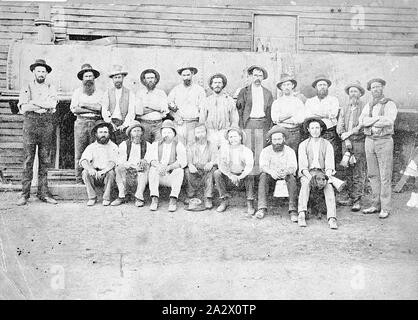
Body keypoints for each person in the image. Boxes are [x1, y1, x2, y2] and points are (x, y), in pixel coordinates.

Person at [16, 59, 58, 205]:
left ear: (46, 73)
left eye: (43, 71)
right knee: (28, 160)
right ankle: (24, 194)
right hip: (30, 124)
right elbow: (24, 108)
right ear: (33, 72)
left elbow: (52, 105)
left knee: (45, 160)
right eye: (38, 71)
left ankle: (43, 193)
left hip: (46, 124)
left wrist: (34, 102)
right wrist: (41, 105)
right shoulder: (26, 86)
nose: (41, 73)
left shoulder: (51, 87)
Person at [359, 78, 398, 219]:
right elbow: (362, 121)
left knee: (385, 175)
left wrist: (372, 120)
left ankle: (385, 207)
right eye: (373, 87)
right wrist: (376, 119)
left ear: (382, 88)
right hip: (369, 140)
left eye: (378, 87)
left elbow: (389, 120)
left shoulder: (389, 103)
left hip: (384, 140)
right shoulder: (368, 105)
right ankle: (375, 204)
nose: (376, 89)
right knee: (373, 174)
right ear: (370, 90)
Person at [297, 117, 338, 229]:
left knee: (328, 186)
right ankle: (301, 214)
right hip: (308, 173)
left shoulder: (327, 144)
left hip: (323, 173)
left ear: (321, 129)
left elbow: (330, 165)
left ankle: (332, 218)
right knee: (305, 185)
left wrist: (326, 177)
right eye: (312, 128)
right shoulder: (303, 145)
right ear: (308, 130)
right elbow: (303, 166)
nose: (315, 130)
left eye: (317, 128)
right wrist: (311, 178)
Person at [236, 65, 273, 175]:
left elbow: (270, 112)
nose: (257, 78)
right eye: (255, 75)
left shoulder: (267, 93)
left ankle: (260, 180)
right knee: (248, 152)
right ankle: (249, 181)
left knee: (261, 152)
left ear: (263, 78)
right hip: (249, 124)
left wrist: (269, 129)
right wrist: (241, 127)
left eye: (260, 76)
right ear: (251, 76)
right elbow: (239, 111)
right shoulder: (244, 91)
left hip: (263, 124)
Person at [255, 126, 298, 220]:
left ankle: (293, 210)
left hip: (285, 176)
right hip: (271, 177)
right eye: (274, 139)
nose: (277, 142)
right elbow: (263, 166)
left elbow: (293, 167)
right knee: (263, 176)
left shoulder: (290, 151)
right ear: (271, 140)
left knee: (292, 178)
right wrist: (271, 172)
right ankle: (261, 208)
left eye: (279, 139)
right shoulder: (265, 151)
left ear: (284, 139)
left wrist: (286, 172)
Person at [336, 81, 367, 212]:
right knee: (347, 169)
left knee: (358, 171)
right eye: (351, 91)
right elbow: (340, 125)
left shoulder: (365, 107)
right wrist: (345, 138)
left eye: (356, 91)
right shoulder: (344, 107)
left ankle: (357, 199)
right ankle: (350, 196)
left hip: (359, 142)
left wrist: (351, 136)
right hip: (346, 142)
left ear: (360, 93)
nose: (353, 94)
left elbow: (363, 125)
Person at [70, 63, 103, 183]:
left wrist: (83, 104)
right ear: (82, 79)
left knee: (95, 150)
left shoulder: (100, 92)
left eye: (90, 76)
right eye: (86, 76)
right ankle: (79, 178)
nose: (88, 78)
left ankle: (94, 179)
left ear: (94, 78)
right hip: (81, 123)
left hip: (95, 122)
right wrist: (91, 108)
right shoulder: (77, 92)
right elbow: (74, 109)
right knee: (80, 151)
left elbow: (100, 108)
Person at [145, 120, 187, 212]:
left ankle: (173, 199)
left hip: (171, 176)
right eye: (164, 132)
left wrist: (169, 167)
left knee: (179, 171)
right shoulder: (156, 144)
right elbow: (149, 159)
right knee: (152, 169)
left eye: (169, 132)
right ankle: (154, 199)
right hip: (159, 175)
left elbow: (183, 162)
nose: (166, 135)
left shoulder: (178, 145)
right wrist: (158, 166)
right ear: (161, 134)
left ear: (174, 134)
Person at [213, 127, 255, 215]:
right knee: (217, 173)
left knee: (250, 174)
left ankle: (250, 202)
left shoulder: (246, 150)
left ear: (240, 137)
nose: (233, 139)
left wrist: (240, 177)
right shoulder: (224, 150)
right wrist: (230, 175)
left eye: (235, 136)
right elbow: (222, 165)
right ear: (228, 139)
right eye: (230, 137)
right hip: (229, 178)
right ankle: (224, 200)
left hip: (242, 178)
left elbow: (249, 166)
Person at [79, 120, 118, 206]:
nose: (103, 134)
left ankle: (106, 198)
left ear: (109, 134)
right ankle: (92, 197)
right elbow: (83, 160)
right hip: (94, 173)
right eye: (100, 132)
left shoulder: (113, 146)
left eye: (105, 132)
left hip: (106, 174)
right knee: (85, 173)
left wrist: (104, 170)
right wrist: (90, 169)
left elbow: (113, 162)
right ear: (96, 134)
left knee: (111, 173)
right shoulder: (91, 147)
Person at [111, 121, 149, 207]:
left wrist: (144, 161)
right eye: (134, 131)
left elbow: (149, 158)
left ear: (142, 133)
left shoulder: (147, 144)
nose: (137, 134)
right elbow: (121, 161)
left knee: (145, 169)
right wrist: (133, 167)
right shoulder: (124, 145)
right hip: (128, 168)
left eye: (139, 131)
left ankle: (139, 197)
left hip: (141, 170)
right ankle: (121, 196)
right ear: (130, 133)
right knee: (119, 168)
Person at [305, 75, 340, 163]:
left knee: (329, 154)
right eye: (320, 85)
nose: (322, 87)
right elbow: (307, 116)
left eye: (324, 85)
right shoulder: (310, 101)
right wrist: (325, 114)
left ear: (328, 87)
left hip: (329, 131)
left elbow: (333, 114)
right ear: (316, 87)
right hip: (314, 131)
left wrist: (315, 113)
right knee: (315, 154)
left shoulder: (333, 100)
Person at [168, 66, 206, 146]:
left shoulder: (199, 90)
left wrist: (201, 124)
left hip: (194, 122)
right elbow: (169, 104)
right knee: (180, 146)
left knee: (192, 146)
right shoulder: (176, 89)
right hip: (180, 123)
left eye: (188, 75)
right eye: (184, 75)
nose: (186, 77)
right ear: (181, 76)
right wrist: (176, 116)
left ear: (192, 75)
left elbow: (203, 108)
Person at [129, 68, 169, 143]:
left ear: (156, 79)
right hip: (144, 124)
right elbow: (139, 111)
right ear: (144, 80)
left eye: (152, 78)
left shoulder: (161, 93)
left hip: (158, 125)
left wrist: (148, 106)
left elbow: (164, 110)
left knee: (159, 145)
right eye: (148, 78)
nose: (150, 80)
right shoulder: (139, 93)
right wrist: (157, 108)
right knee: (145, 146)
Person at [199, 73, 239, 148]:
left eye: (219, 83)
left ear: (223, 85)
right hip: (210, 133)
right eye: (215, 83)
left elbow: (234, 119)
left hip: (224, 132)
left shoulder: (229, 100)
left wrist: (232, 133)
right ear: (211, 85)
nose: (217, 85)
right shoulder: (206, 101)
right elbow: (202, 120)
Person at [184, 124, 218, 209]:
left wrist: (211, 163)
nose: (201, 134)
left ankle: (208, 197)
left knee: (212, 171)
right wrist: (190, 165)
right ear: (195, 134)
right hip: (196, 169)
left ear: (206, 133)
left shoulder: (212, 145)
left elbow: (216, 159)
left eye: (203, 131)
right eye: (198, 132)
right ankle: (190, 195)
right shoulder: (191, 146)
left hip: (207, 169)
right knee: (187, 171)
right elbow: (189, 160)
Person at [271, 73, 306, 153]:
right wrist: (291, 115)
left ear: (292, 86)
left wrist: (281, 119)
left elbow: (300, 119)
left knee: (294, 154)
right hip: (281, 132)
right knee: (281, 153)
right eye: (284, 85)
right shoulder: (277, 102)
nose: (286, 87)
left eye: (288, 84)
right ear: (281, 87)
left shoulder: (298, 102)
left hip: (295, 132)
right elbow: (275, 118)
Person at [101, 65, 135, 145]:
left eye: (119, 77)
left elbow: (131, 111)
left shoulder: (130, 93)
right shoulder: (107, 93)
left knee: (123, 146)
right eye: (115, 78)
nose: (117, 80)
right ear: (112, 79)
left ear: (123, 78)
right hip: (111, 123)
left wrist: (124, 125)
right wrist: (110, 122)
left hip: (124, 123)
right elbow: (104, 109)